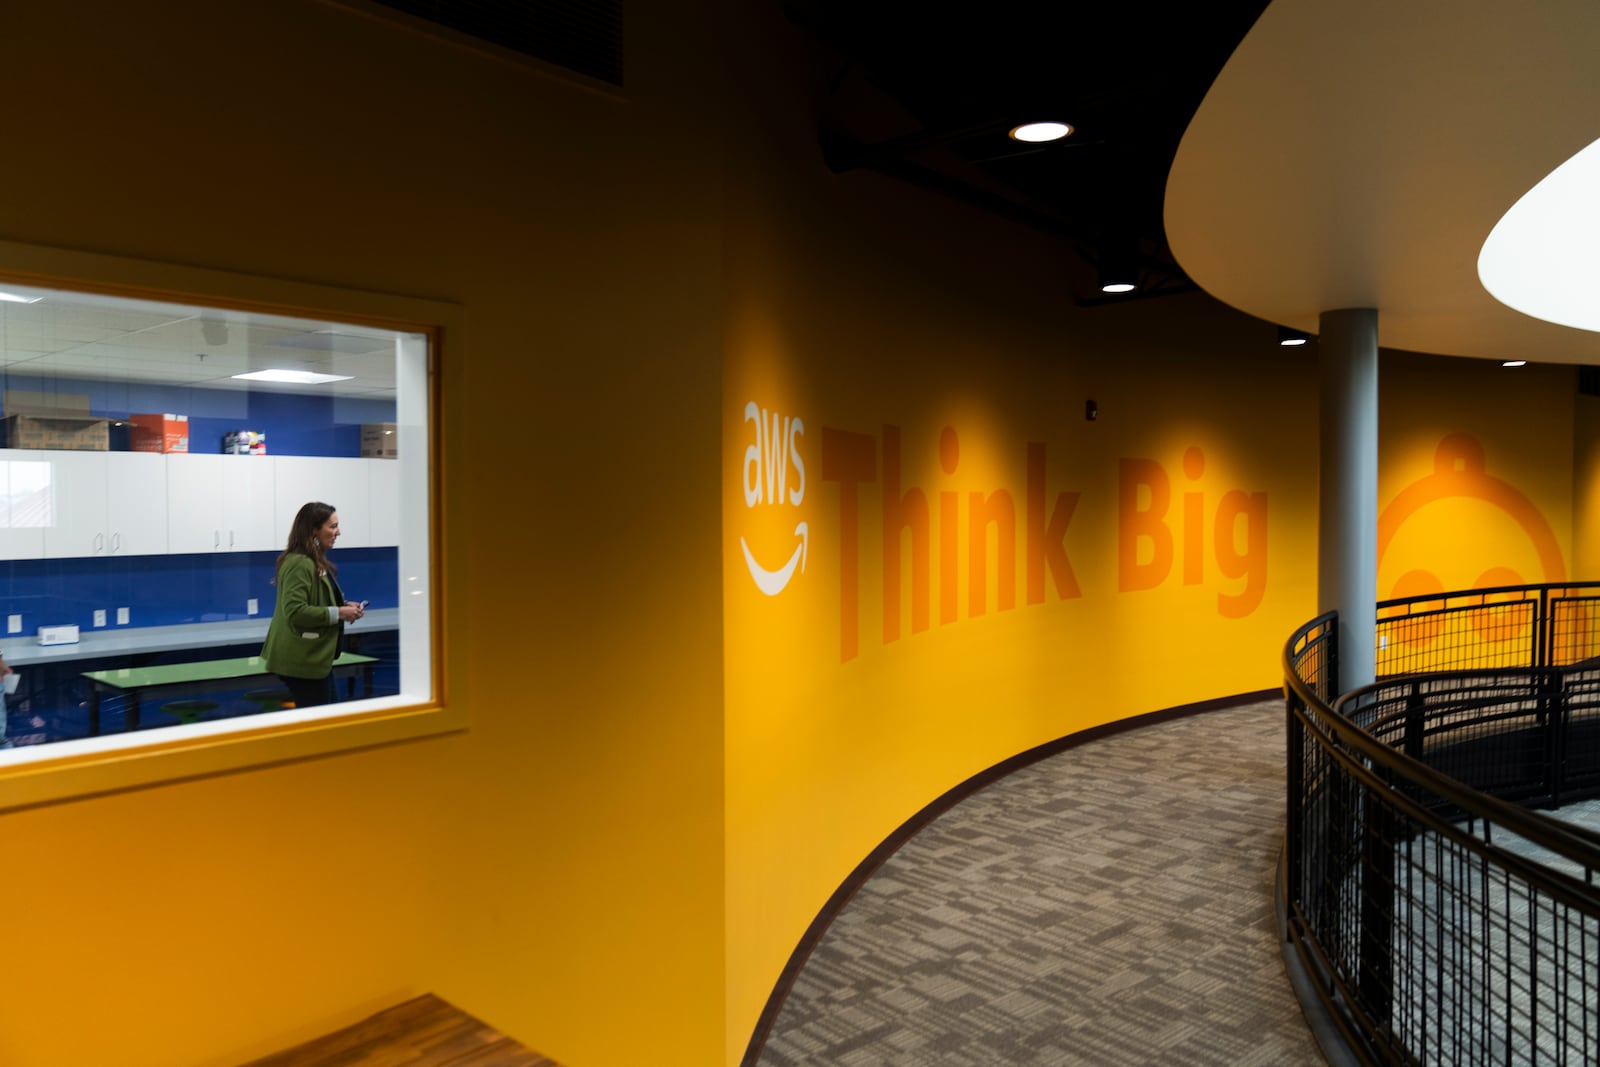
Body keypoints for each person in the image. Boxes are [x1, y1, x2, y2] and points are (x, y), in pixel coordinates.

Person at [261, 501, 365, 708]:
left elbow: (314, 599)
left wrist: (343, 607)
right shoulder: (300, 563)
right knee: (322, 723)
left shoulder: (311, 561)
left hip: (313, 662)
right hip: (301, 661)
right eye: (332, 526)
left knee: (328, 717)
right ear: (313, 531)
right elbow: (295, 611)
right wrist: (339, 612)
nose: (338, 532)